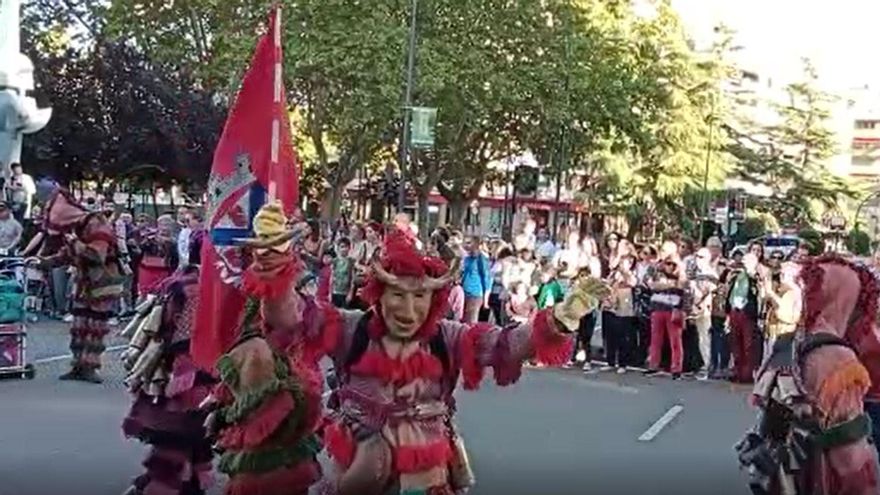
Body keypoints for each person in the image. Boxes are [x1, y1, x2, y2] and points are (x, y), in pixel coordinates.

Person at [222, 202, 606, 495]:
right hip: (357, 472)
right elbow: (290, 315)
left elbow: (507, 344)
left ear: (434, 301)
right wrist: (273, 260)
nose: (408, 310)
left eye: (419, 297)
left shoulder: (451, 337)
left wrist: (558, 320)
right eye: (397, 296)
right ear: (377, 295)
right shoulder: (350, 328)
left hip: (427, 476)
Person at [737, 255, 880, 495]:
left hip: (782, 477)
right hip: (822, 477)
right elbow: (851, 459)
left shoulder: (787, 343)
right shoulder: (839, 359)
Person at [121, 266, 215, 495]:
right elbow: (186, 341)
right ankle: (150, 487)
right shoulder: (196, 289)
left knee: (190, 446)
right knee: (180, 443)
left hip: (183, 374)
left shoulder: (189, 283)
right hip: (190, 377)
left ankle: (152, 486)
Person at [34, 188, 125, 383]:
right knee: (79, 324)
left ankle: (90, 366)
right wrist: (43, 262)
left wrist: (76, 244)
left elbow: (96, 256)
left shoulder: (96, 224)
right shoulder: (77, 227)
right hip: (84, 281)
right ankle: (77, 365)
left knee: (95, 325)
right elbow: (66, 255)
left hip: (102, 281)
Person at [644, 241, 687, 379]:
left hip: (673, 307)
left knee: (675, 340)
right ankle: (653, 365)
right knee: (655, 339)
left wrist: (664, 285)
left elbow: (681, 286)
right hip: (657, 306)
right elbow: (650, 284)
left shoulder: (679, 267)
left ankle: (676, 368)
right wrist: (668, 285)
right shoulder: (655, 267)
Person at [726, 252, 762, 383]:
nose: (745, 263)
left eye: (748, 261)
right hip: (735, 311)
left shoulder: (756, 277)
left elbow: (758, 293)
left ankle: (747, 373)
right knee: (735, 342)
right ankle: (737, 371)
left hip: (748, 312)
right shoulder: (738, 275)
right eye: (744, 260)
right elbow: (732, 292)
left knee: (748, 344)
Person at [604, 254, 638, 373]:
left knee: (623, 336)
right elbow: (607, 283)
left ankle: (622, 364)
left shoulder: (631, 274)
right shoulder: (614, 273)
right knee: (610, 335)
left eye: (626, 262)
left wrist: (625, 272)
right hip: (611, 304)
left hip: (625, 306)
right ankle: (610, 361)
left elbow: (633, 283)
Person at [461, 236, 492, 323]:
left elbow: (487, 278)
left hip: (475, 293)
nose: (466, 245)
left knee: (471, 320)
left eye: (469, 243)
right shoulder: (467, 258)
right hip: (464, 291)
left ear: (476, 245)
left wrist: (486, 298)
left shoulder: (481, 259)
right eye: (465, 243)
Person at [330, 237, 355, 308]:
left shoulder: (351, 261)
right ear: (338, 248)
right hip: (335, 291)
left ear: (349, 248)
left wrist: (350, 293)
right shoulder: (335, 261)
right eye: (342, 247)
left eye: (346, 247)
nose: (344, 249)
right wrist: (330, 293)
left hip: (345, 292)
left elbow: (353, 279)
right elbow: (332, 277)